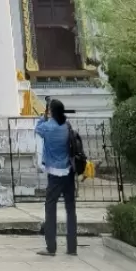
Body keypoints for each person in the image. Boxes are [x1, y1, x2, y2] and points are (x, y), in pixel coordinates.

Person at [35, 98, 77, 257]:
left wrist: (43, 116)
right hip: (68, 171)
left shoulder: (47, 127)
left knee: (50, 209)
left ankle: (51, 247)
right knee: (70, 210)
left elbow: (37, 128)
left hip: (54, 173)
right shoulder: (66, 126)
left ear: (50, 111)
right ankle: (72, 247)